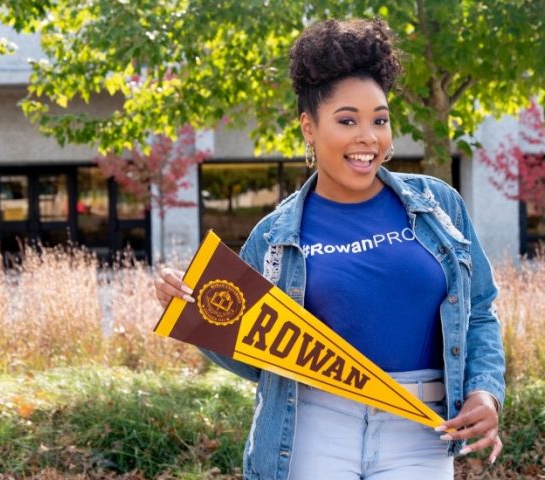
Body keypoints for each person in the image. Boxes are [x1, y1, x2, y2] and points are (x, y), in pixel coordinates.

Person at [155, 18, 504, 480]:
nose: (368, 137)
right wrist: (196, 315)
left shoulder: (439, 206)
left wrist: (485, 391)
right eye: (347, 121)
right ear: (308, 127)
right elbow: (257, 357)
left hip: (420, 427)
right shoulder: (274, 235)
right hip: (311, 427)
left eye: (379, 119)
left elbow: (479, 309)